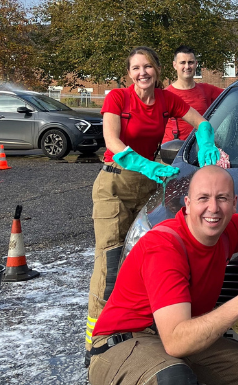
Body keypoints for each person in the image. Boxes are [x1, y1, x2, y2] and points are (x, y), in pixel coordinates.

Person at [87, 165, 238, 385]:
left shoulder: (228, 230)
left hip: (178, 336)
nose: (213, 208)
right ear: (188, 203)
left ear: (234, 203)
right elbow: (176, 341)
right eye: (203, 198)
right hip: (123, 342)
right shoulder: (165, 246)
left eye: (222, 198)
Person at [86, 46, 220, 352]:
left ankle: (138, 332)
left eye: (147, 67)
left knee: (145, 260)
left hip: (150, 184)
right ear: (129, 73)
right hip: (115, 183)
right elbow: (112, 141)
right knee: (110, 263)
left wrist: (207, 141)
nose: (142, 73)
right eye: (135, 68)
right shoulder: (117, 98)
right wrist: (145, 163)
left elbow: (202, 122)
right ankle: (96, 343)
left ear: (157, 70)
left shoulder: (165, 100)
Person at [162, 45, 224, 144]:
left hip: (202, 149)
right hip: (173, 154)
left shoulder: (207, 89)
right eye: (182, 62)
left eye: (190, 62)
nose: (187, 66)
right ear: (175, 65)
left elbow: (234, 95)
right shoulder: (164, 95)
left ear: (196, 64)